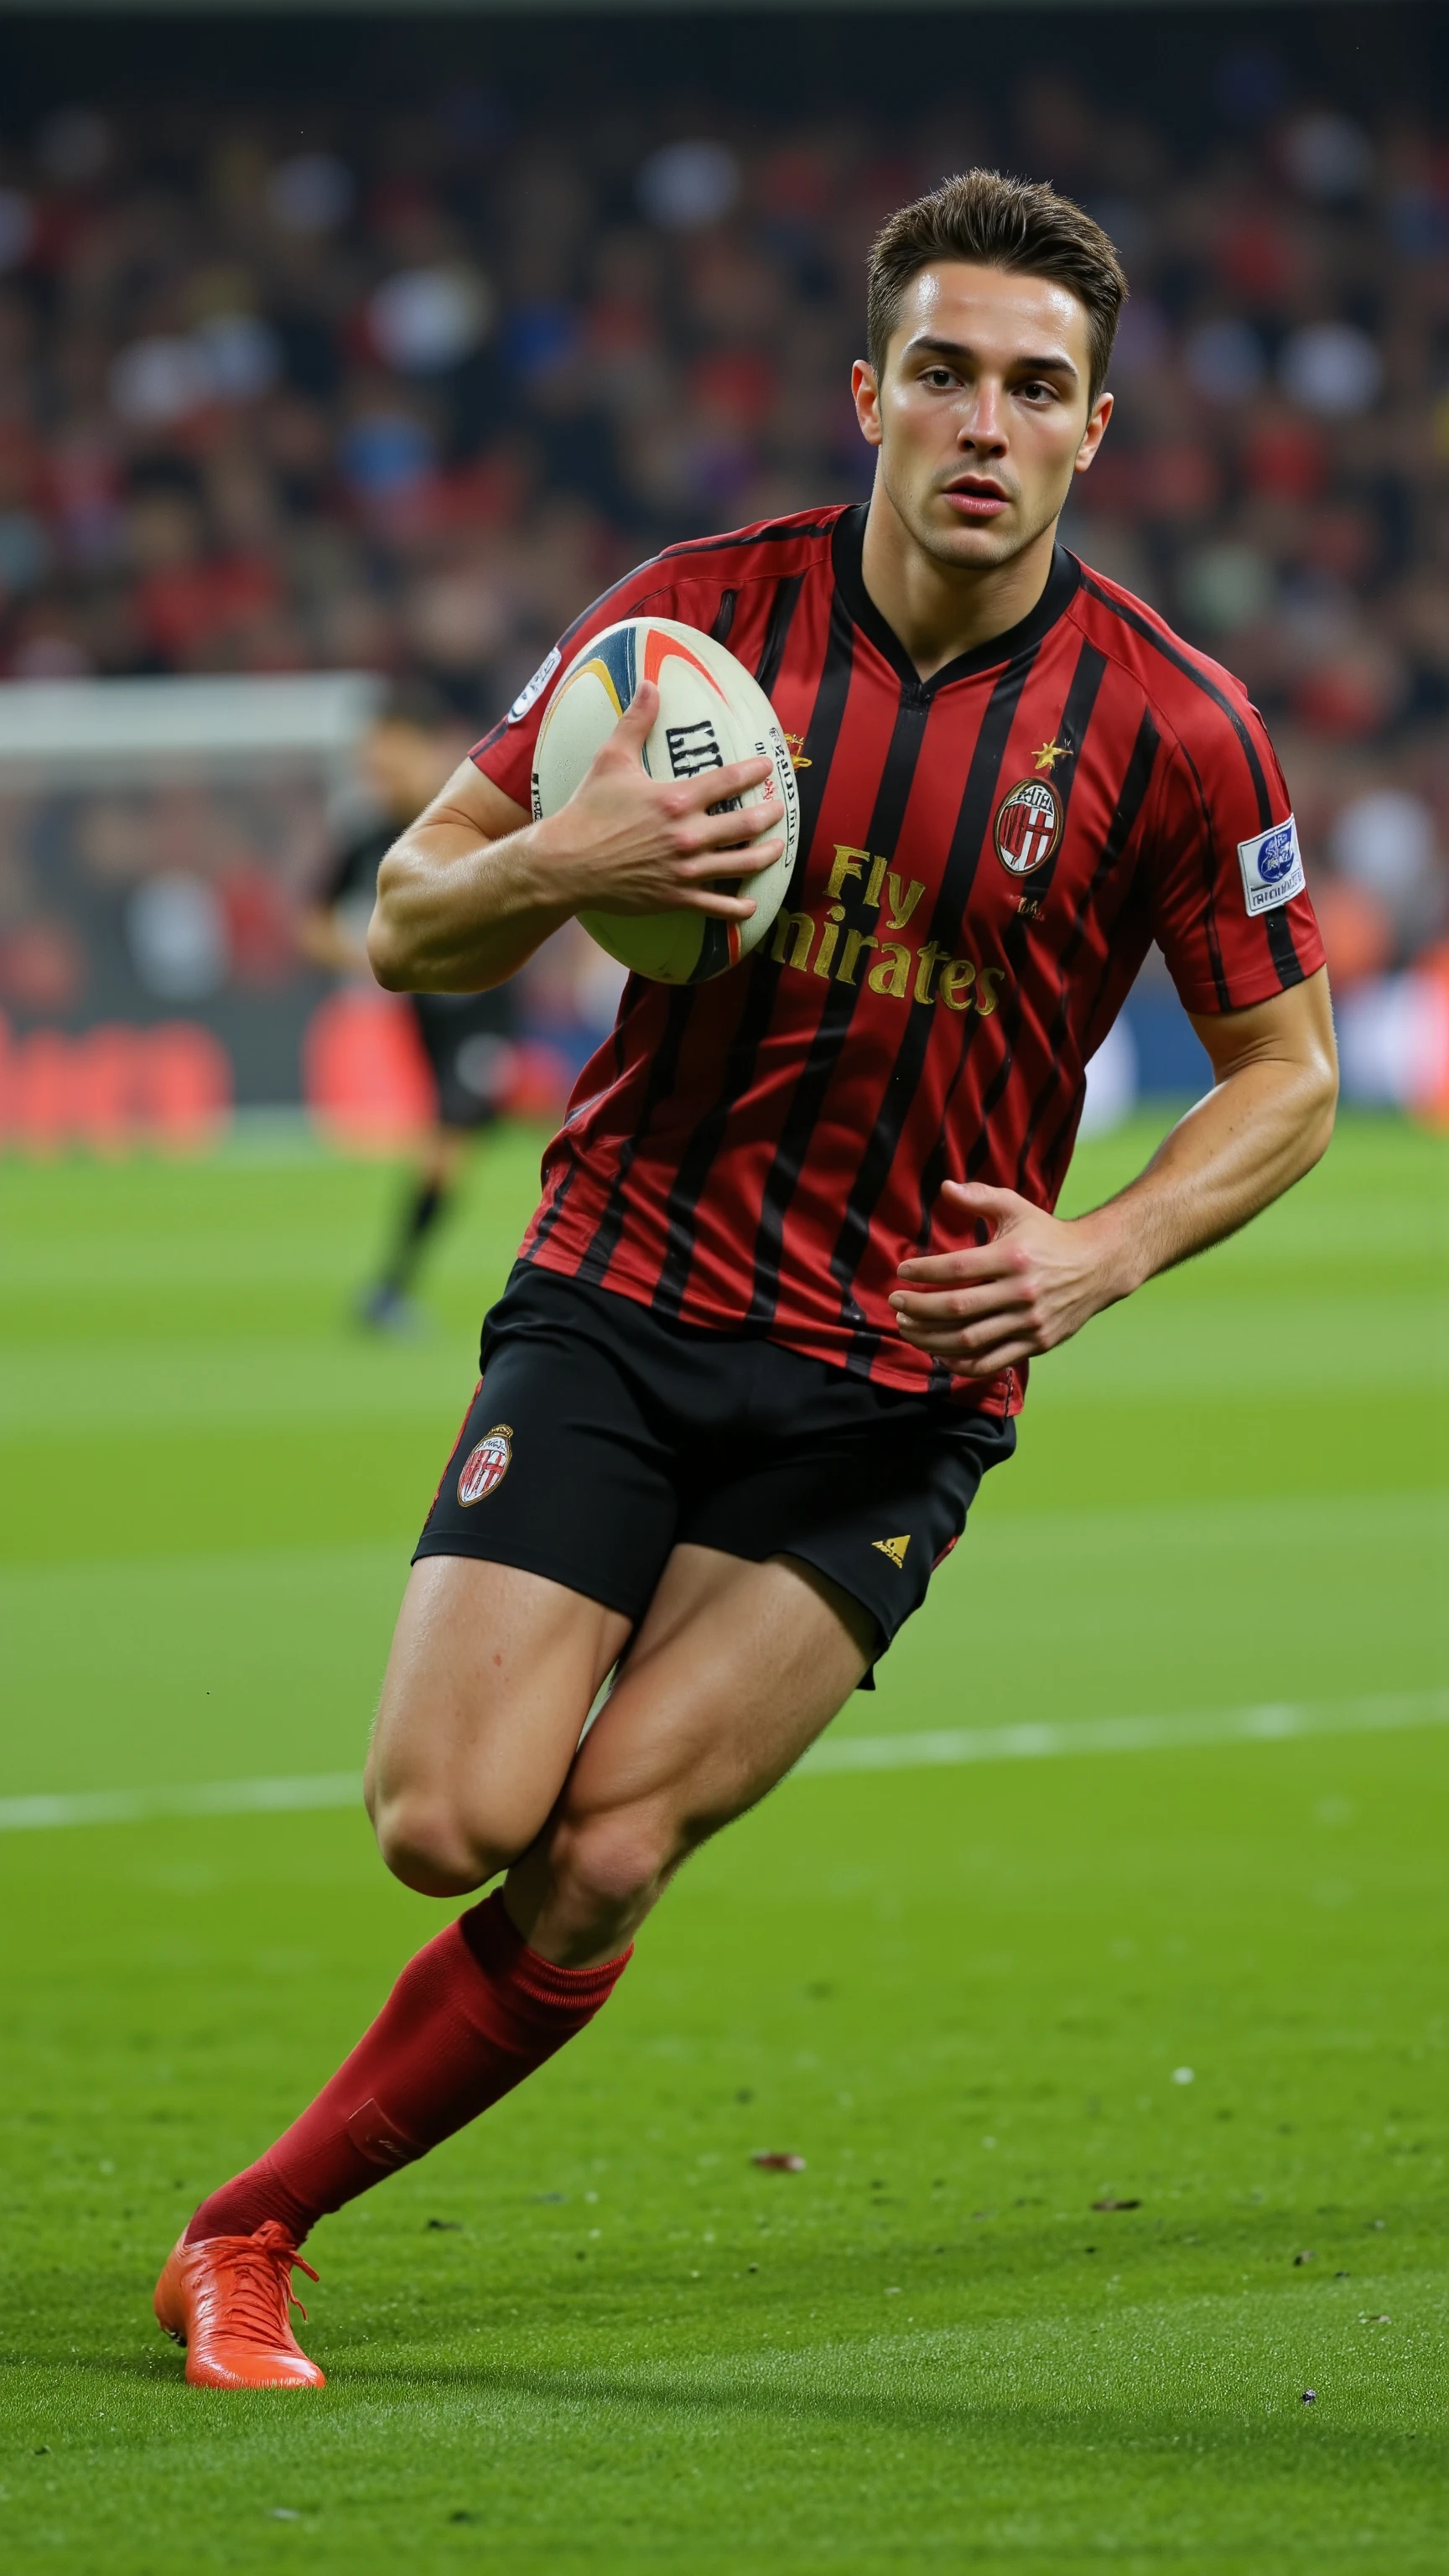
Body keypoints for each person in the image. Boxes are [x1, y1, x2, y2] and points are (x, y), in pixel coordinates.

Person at [154, 171, 1337, 2387]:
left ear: (1097, 432)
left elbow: (1291, 1080)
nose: (990, 423)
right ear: (869, 391)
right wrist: (567, 856)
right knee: (450, 1824)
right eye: (955, 374)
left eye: (1041, 389)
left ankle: (250, 2232)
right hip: (628, 1290)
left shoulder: (1178, 727)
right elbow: (409, 922)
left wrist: (1106, 1249)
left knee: (602, 1860)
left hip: (898, 1380)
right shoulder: (693, 629)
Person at [298, 685, 519, 1332]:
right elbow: (310, 921)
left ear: (422, 748)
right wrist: (366, 955)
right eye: (371, 762)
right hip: (425, 1019)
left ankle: (392, 1287)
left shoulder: (472, 815)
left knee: (450, 1141)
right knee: (455, 1142)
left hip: (483, 1015)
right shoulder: (369, 835)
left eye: (386, 758)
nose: (377, 773)